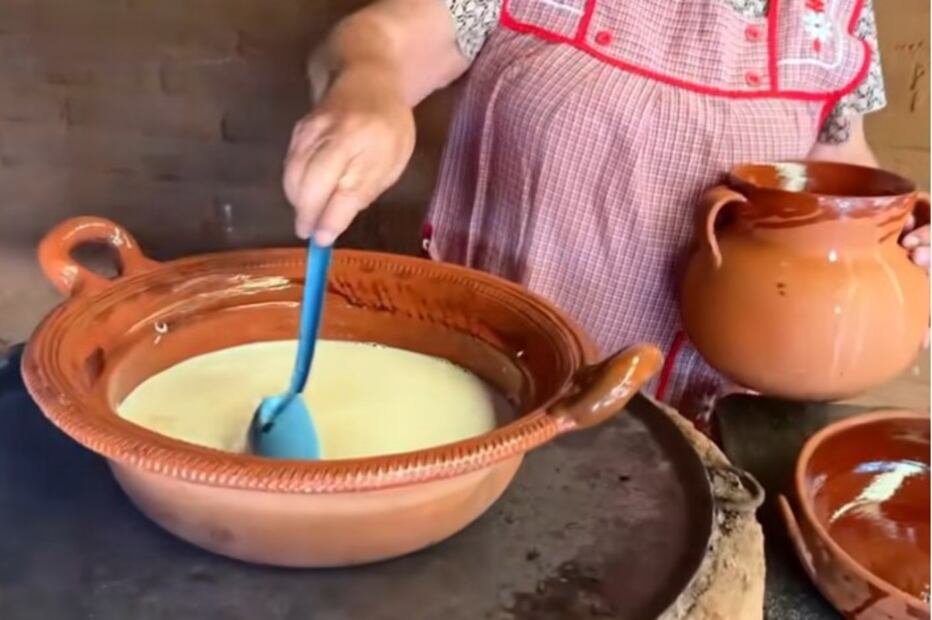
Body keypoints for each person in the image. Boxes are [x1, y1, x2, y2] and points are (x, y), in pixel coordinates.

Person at [282, 0, 930, 417]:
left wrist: (898, 243)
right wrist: (366, 87)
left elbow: (838, 156)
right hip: (496, 381)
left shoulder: (833, 11)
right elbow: (384, 37)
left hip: (710, 412)